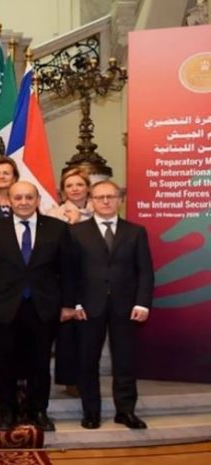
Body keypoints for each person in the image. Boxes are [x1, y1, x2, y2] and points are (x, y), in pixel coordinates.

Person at [0, 181, 75, 432]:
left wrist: (68, 304)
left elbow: (68, 270)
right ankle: (7, 412)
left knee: (40, 363)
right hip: (4, 306)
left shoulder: (58, 229)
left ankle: (38, 411)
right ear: (9, 201)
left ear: (38, 200)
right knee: (4, 363)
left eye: (29, 197)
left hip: (43, 306)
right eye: (18, 198)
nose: (23, 202)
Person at [71, 180, 153, 430]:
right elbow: (69, 272)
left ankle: (125, 411)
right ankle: (91, 412)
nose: (105, 201)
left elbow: (145, 271)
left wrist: (142, 303)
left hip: (126, 307)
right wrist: (74, 303)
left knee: (125, 361)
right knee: (87, 361)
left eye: (110, 196)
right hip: (87, 307)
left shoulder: (136, 231)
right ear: (91, 201)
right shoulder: (75, 232)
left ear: (120, 200)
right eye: (99, 197)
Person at [47, 168, 94, 397]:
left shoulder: (99, 210)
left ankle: (88, 377)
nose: (75, 189)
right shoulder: (53, 215)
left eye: (79, 184)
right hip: (65, 281)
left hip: (93, 282)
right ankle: (70, 381)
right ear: (63, 191)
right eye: (69, 186)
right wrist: (73, 226)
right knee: (68, 334)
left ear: (88, 188)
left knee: (89, 334)